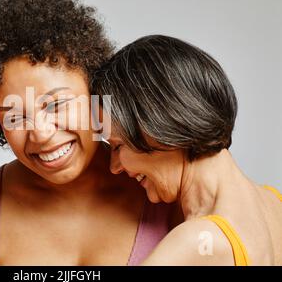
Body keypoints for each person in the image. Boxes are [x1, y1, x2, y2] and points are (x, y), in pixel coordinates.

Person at [0, 0, 180, 265]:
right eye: (14, 116)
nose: (40, 134)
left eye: (57, 104)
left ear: (95, 95)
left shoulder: (160, 189)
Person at [90, 34, 282, 265]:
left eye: (118, 146)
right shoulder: (275, 203)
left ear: (159, 124)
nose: (114, 167)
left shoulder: (195, 243)